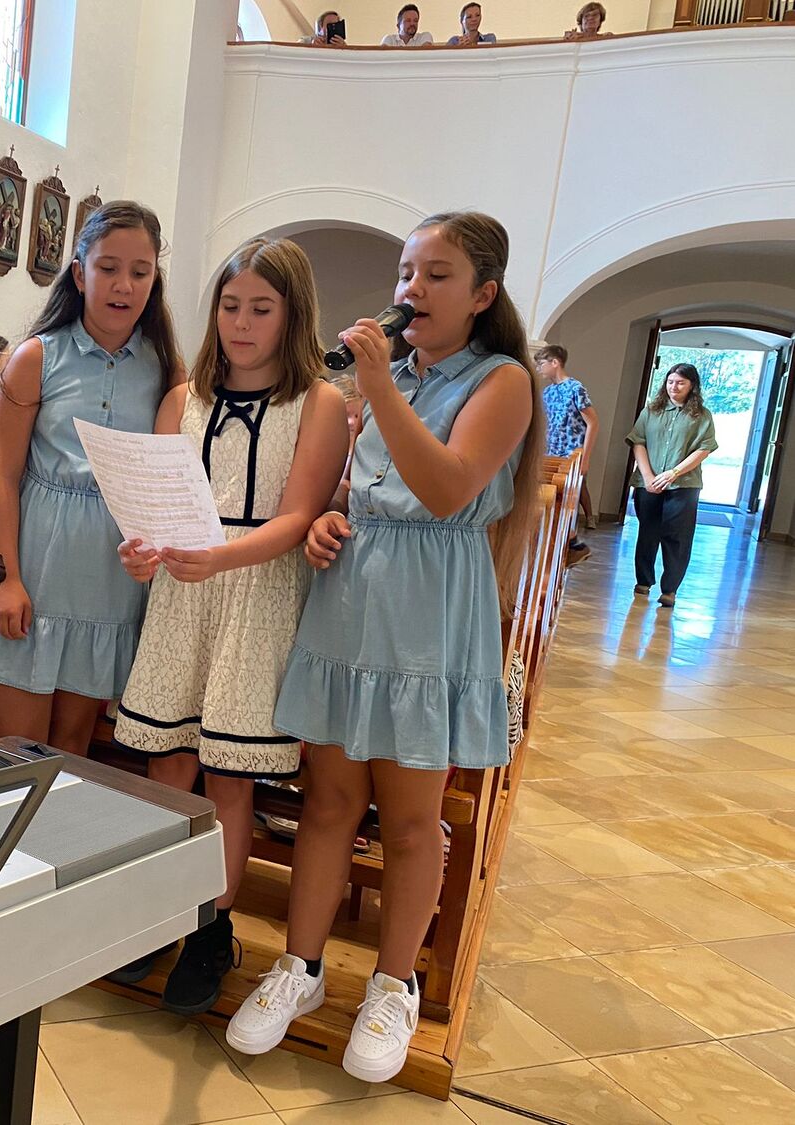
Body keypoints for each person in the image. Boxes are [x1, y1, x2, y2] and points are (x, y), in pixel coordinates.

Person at [226, 213, 542, 1082]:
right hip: (352, 602)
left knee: (408, 819)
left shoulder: (503, 381)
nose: (412, 290)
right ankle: (300, 967)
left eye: (436, 275)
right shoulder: (392, 378)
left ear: (482, 295)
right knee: (329, 801)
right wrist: (326, 518)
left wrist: (379, 390)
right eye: (406, 272)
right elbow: (354, 487)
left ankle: (393, 985)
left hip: (428, 611)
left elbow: (445, 490)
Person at [111, 238, 348, 1015]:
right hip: (183, 594)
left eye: (261, 309)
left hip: (257, 594)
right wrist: (141, 549)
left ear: (293, 314)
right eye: (230, 306)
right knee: (166, 762)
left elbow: (298, 516)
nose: (241, 324)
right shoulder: (183, 399)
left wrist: (218, 555)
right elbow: (153, 505)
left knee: (227, 774)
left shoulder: (317, 403)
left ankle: (211, 927)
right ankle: (159, 910)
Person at [0, 201, 184, 756]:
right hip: (37, 569)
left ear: (154, 281)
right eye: (108, 268)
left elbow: (164, 479)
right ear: (80, 274)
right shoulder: (37, 357)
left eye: (140, 272)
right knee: (14, 751)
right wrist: (7, 578)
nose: (123, 285)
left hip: (110, 580)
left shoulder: (166, 368)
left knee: (72, 752)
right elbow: (2, 476)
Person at [627, 363, 717, 608]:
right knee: (647, 533)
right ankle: (643, 581)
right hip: (648, 483)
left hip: (684, 485)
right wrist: (647, 476)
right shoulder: (651, 410)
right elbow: (638, 442)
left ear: (692, 386)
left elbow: (704, 449)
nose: (674, 387)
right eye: (670, 381)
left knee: (677, 537)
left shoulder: (702, 415)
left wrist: (673, 473)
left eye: (680, 383)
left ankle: (670, 589)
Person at [535, 344, 599, 562]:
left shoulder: (575, 388)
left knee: (566, 505)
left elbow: (593, 423)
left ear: (555, 362)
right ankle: (558, 549)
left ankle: (572, 545)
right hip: (550, 454)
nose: (539, 369)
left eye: (541, 364)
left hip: (570, 455)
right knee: (549, 504)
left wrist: (585, 458)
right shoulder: (547, 392)